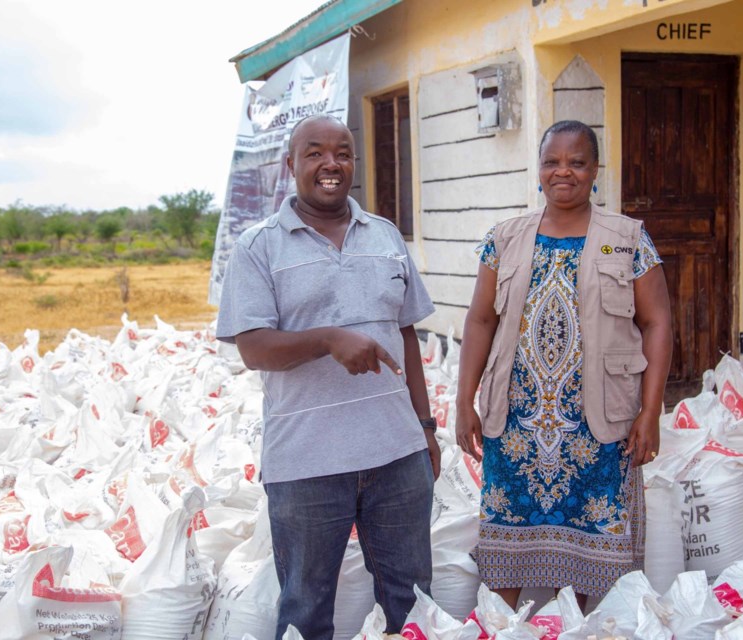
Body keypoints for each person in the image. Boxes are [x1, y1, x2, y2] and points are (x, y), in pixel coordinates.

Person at [215, 114, 441, 640]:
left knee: (412, 604)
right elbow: (253, 348)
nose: (331, 164)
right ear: (290, 165)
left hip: (397, 455)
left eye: (342, 152)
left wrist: (425, 427)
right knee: (306, 610)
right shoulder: (258, 247)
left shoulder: (384, 236)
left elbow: (405, 335)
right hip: (307, 463)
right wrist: (327, 339)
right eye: (314, 153)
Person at [454, 120, 672, 609]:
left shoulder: (628, 239)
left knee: (590, 556)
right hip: (514, 425)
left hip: (598, 425)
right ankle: (501, 626)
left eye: (576, 162)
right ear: (538, 170)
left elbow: (659, 323)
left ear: (595, 170)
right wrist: (463, 400)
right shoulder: (504, 238)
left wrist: (651, 411)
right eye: (552, 161)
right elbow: (479, 320)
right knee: (506, 541)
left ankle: (578, 625)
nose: (563, 172)